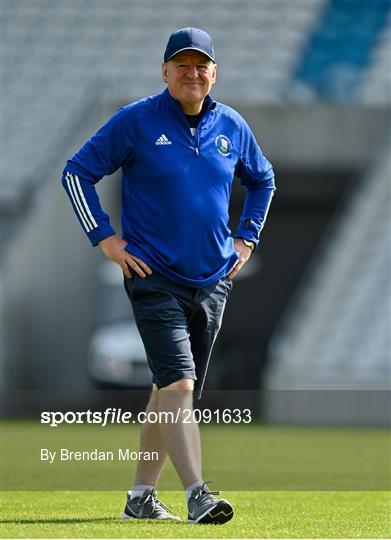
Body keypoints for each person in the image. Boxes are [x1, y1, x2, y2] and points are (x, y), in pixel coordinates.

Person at [62, 27, 275, 524]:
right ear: (165, 72)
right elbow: (77, 172)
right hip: (153, 276)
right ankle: (199, 493)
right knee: (179, 385)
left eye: (201, 65)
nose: (192, 73)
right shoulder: (136, 120)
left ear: (214, 73)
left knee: (168, 389)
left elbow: (263, 179)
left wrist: (247, 238)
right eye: (182, 65)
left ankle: (140, 497)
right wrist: (106, 239)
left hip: (212, 280)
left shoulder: (233, 126)